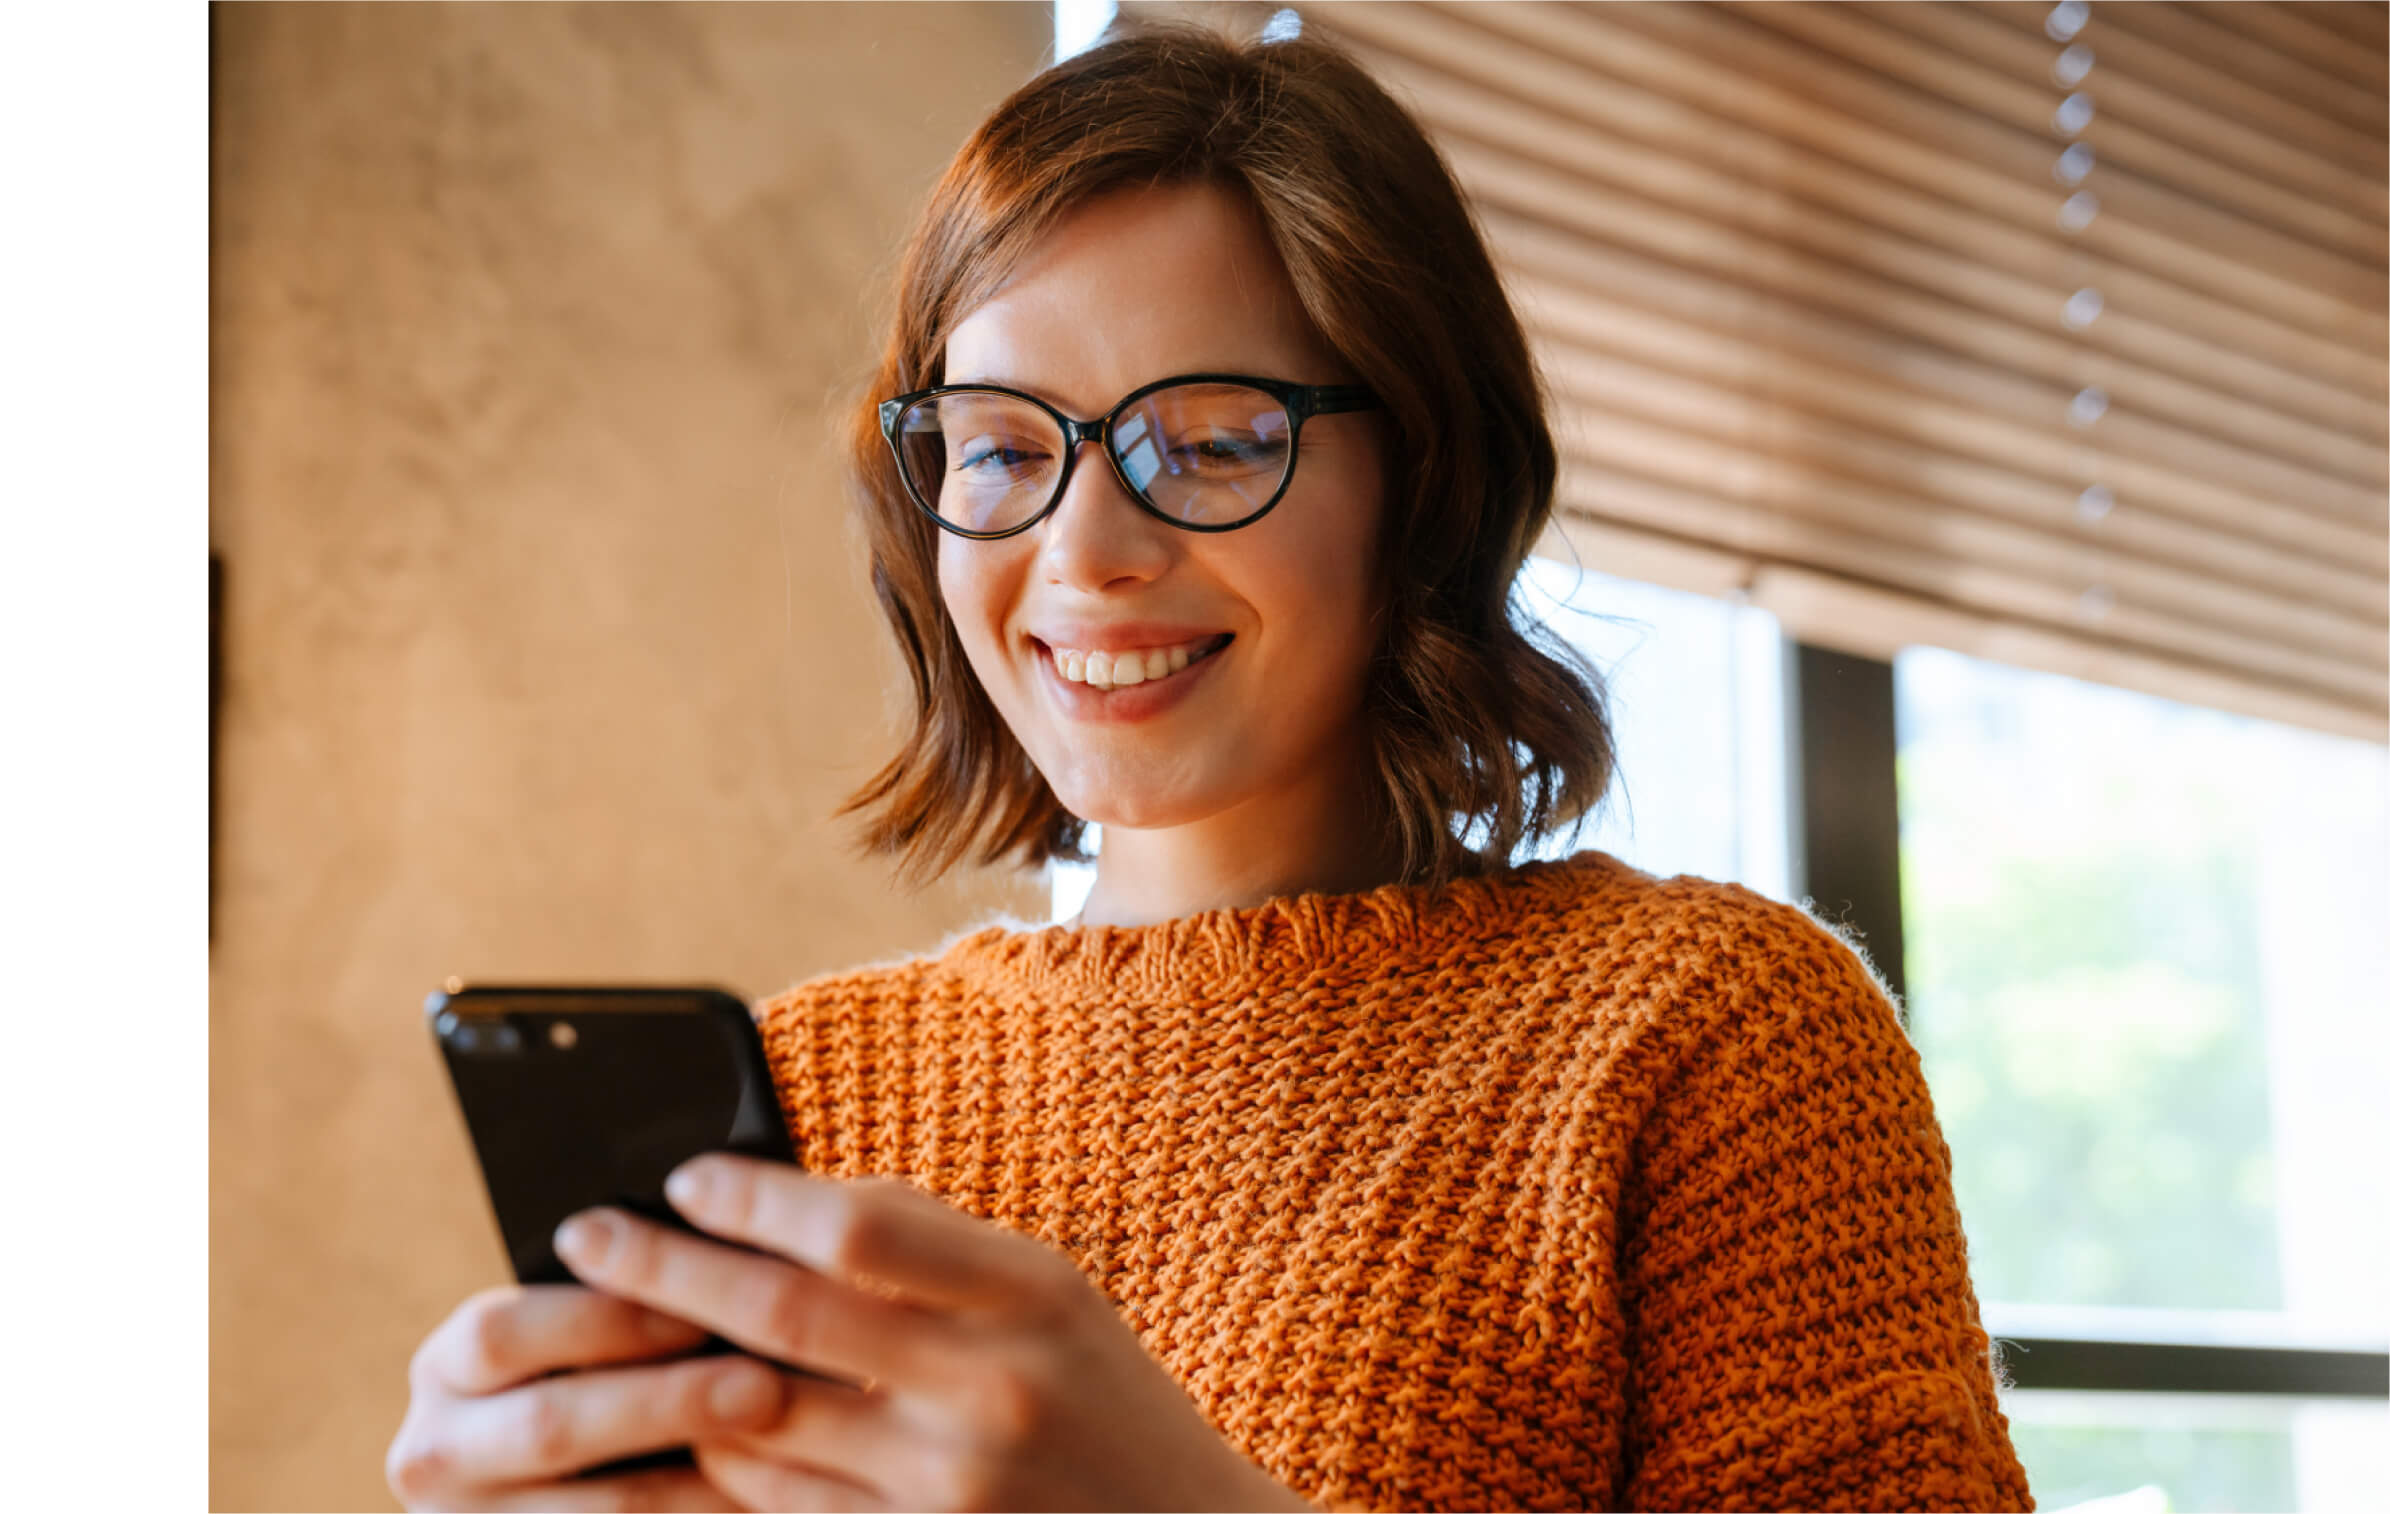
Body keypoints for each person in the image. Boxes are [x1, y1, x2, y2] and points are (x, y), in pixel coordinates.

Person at [388, 21, 2035, 1513]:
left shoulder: (1703, 1034)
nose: (1084, 546)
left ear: (1426, 473)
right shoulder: (808, 1099)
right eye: (1002, 451)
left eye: (1215, 438)